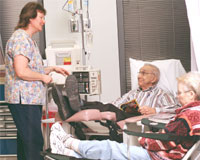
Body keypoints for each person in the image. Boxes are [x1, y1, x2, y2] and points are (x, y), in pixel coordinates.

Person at [50, 71, 200, 160]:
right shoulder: (194, 113)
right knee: (107, 106)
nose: (178, 96)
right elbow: (171, 138)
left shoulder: (175, 106)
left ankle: (69, 143)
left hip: (158, 154)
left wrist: (144, 137)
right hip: (123, 112)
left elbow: (166, 139)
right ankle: (77, 105)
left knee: (111, 148)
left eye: (180, 93)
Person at [4, 2, 69, 160]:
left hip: (28, 100)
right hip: (24, 100)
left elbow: (30, 68)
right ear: (30, 18)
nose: (43, 21)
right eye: (41, 17)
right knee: (34, 142)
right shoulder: (21, 39)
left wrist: (52, 69)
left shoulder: (27, 39)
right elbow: (21, 71)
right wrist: (43, 77)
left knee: (26, 143)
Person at [59, 64, 179, 122]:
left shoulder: (162, 94)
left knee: (109, 108)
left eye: (143, 73)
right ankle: (72, 103)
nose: (138, 76)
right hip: (124, 114)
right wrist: (102, 105)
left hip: (140, 120)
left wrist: (154, 110)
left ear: (153, 78)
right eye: (139, 72)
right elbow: (116, 103)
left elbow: (176, 109)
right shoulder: (133, 93)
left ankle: (76, 104)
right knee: (106, 106)